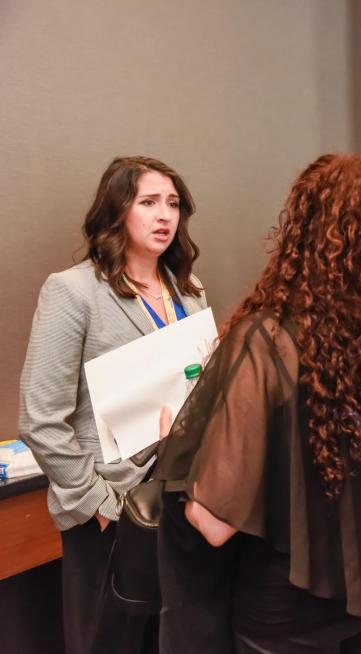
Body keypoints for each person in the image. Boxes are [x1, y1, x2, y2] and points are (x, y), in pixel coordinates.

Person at [153, 154, 361, 653]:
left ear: (302, 234)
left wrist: (179, 449)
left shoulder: (268, 343)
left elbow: (212, 524)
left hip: (292, 606)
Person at [18, 156, 207, 654]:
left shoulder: (190, 291)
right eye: (148, 203)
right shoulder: (73, 291)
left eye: (172, 204)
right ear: (116, 210)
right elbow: (40, 420)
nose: (164, 215)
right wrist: (100, 506)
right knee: (109, 640)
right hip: (111, 504)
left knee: (173, 635)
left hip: (182, 491)